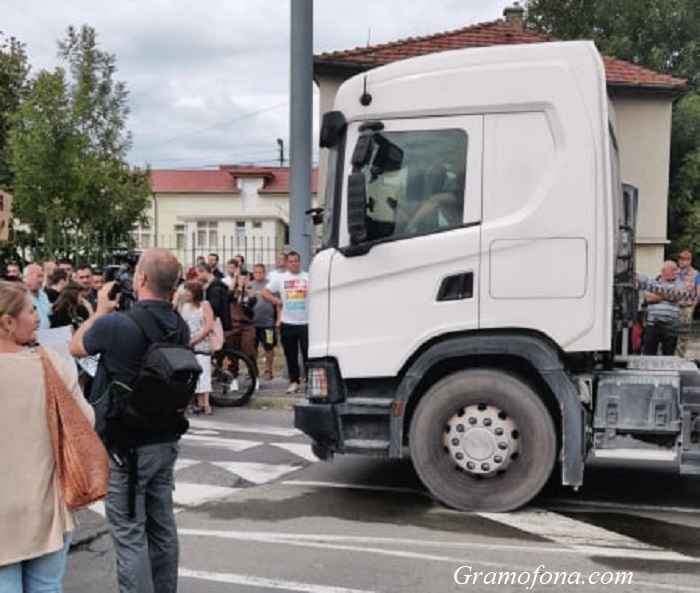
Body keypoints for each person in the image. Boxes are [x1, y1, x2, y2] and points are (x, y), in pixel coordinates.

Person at [69, 248, 189, 593]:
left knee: (129, 531)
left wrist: (100, 310)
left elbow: (77, 347)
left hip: (127, 446)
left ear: (141, 279)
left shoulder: (117, 323)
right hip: (165, 438)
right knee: (162, 525)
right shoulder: (178, 325)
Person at [0, 280, 95, 592]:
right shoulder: (50, 363)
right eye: (31, 311)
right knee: (46, 586)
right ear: (8, 323)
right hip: (47, 502)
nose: (39, 317)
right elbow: (85, 421)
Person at [261, 251, 309, 394]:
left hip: (306, 322)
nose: (294, 264)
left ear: (300, 262)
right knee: (290, 354)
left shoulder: (308, 277)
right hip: (287, 322)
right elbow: (264, 292)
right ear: (287, 263)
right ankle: (294, 381)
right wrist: (277, 301)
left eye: (296, 261)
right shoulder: (280, 278)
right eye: (291, 261)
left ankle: (309, 382)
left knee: (308, 354)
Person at [180, 281, 214, 414]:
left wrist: (195, 339)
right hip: (188, 342)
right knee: (191, 372)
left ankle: (205, 402)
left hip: (201, 342)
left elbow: (208, 325)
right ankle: (197, 402)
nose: (186, 294)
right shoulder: (185, 307)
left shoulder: (205, 305)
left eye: (188, 291)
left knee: (203, 370)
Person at [643, 260, 686, 356]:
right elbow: (649, 298)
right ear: (664, 271)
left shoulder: (679, 283)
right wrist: (668, 295)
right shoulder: (652, 282)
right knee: (648, 354)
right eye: (673, 270)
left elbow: (678, 295)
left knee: (668, 354)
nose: (677, 272)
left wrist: (658, 295)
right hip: (653, 324)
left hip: (671, 325)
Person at [251, 263, 276, 380]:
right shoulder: (250, 286)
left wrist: (276, 319)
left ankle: (268, 370)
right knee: (252, 348)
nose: (258, 274)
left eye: (261, 272)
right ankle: (253, 370)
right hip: (252, 324)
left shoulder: (271, 285)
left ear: (264, 273)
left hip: (268, 323)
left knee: (269, 347)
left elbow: (277, 302)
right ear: (253, 273)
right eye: (256, 272)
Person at [23, 263, 51, 329]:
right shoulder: (21, 296)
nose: (41, 280)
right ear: (27, 277)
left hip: (47, 335)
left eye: (42, 276)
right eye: (38, 276)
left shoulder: (44, 295)